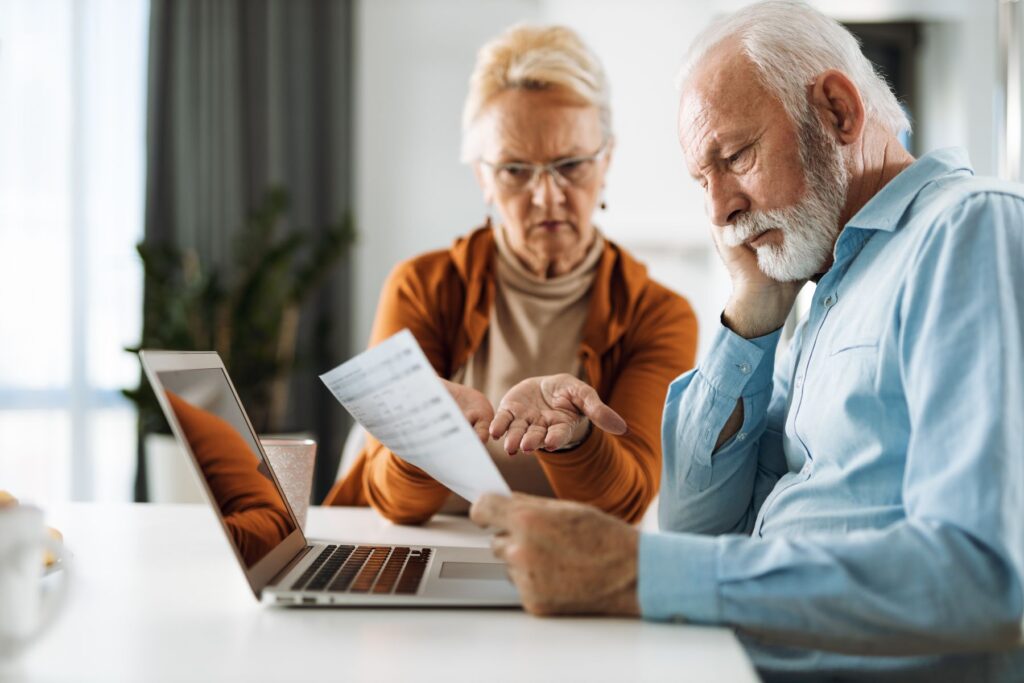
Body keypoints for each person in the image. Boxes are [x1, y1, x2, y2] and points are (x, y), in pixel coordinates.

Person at [469, 2, 1024, 680]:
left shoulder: (967, 231)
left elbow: (984, 577)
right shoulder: (828, 285)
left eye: (734, 157)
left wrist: (635, 571)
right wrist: (750, 316)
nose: (718, 210)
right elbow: (695, 522)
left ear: (838, 112)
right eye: (704, 180)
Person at [324, 25, 698, 525]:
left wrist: (577, 440)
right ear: (482, 175)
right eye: (515, 170)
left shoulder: (657, 314)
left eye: (570, 164)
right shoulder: (422, 286)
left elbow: (625, 503)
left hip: (566, 556)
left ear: (605, 161)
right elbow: (390, 501)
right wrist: (427, 437)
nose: (547, 196)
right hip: (430, 546)